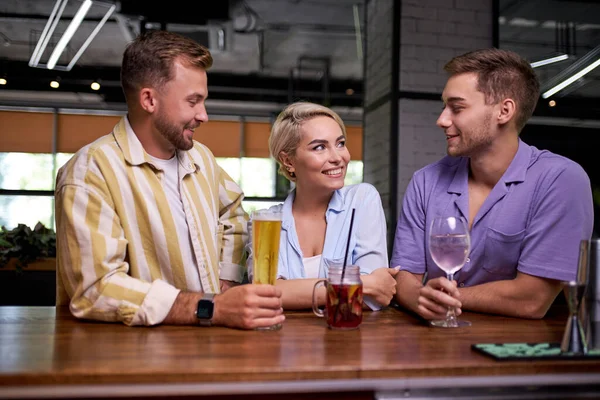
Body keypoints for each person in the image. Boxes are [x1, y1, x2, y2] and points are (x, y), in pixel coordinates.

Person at [55, 30, 284, 329]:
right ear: (149, 100)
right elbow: (96, 289)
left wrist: (225, 281)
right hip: (129, 356)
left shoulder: (201, 158)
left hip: (206, 345)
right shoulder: (90, 172)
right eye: (193, 101)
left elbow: (233, 212)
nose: (204, 115)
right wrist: (209, 306)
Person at [392, 48, 594, 320]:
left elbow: (532, 300)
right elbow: (404, 276)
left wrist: (444, 298)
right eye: (444, 107)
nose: (442, 120)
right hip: (433, 344)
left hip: (516, 351)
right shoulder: (425, 181)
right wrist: (420, 298)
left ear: (504, 111)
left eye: (457, 107)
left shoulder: (561, 180)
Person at [247, 102, 398, 310]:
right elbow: (264, 294)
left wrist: (292, 291)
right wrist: (362, 284)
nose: (338, 158)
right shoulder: (265, 222)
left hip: (347, 338)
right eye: (320, 147)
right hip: (283, 339)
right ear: (288, 160)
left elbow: (374, 298)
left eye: (340, 143)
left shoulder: (362, 200)